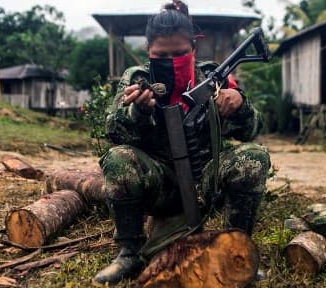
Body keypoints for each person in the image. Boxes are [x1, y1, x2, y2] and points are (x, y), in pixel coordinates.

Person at [93, 0, 271, 285]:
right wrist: (137, 112)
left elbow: (252, 130)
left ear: (194, 49)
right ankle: (130, 252)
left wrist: (239, 104)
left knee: (253, 157)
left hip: (206, 183)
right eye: (161, 55)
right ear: (148, 52)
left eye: (180, 53)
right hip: (160, 185)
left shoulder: (214, 76)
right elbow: (113, 132)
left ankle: (236, 251)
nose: (172, 60)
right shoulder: (137, 79)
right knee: (119, 158)